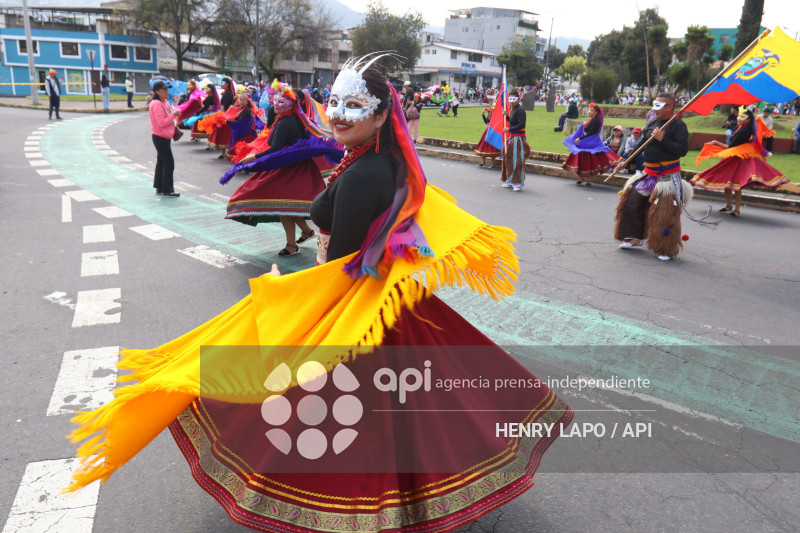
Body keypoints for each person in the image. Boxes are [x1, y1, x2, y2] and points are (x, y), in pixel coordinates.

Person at [67, 56, 573, 532]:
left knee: (326, 408)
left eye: (354, 105)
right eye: (334, 102)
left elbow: (340, 269)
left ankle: (349, 505)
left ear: (381, 116)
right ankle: (397, 499)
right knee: (402, 414)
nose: (337, 113)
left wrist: (288, 294)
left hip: (353, 315)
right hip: (381, 303)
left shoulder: (363, 174)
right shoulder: (379, 161)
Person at [224, 79, 332, 256]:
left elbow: (276, 148)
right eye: (275, 101)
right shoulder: (294, 119)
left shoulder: (285, 122)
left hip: (289, 169)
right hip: (295, 168)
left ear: (290, 105)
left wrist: (254, 157)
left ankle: (291, 245)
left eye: (281, 102)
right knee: (288, 205)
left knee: (283, 205)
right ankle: (306, 231)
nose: (276, 105)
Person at [613, 93, 692, 261]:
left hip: (667, 176)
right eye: (654, 105)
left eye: (659, 105)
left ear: (670, 107)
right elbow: (642, 145)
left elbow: (682, 150)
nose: (654, 109)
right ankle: (635, 237)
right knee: (632, 202)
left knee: (664, 212)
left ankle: (665, 248)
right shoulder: (652, 123)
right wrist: (626, 161)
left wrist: (663, 139)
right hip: (648, 173)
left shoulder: (679, 126)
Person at [691, 109, 788, 217]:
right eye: (739, 116)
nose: (739, 119)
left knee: (737, 185)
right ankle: (729, 206)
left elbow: (730, 147)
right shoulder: (742, 128)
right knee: (728, 183)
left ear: (748, 120)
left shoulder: (744, 131)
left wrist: (715, 142)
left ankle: (736, 210)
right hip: (733, 157)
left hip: (739, 160)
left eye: (742, 117)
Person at [562, 102, 621, 186]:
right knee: (580, 158)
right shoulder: (590, 120)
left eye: (591, 110)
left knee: (590, 160)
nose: (589, 112)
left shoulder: (596, 121)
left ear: (596, 112)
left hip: (592, 143)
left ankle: (588, 179)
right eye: (589, 110)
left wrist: (580, 138)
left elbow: (591, 132)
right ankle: (580, 178)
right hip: (585, 142)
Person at [148, 81, 181, 198]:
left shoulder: (165, 102)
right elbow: (161, 123)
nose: (167, 92)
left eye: (167, 89)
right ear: (157, 92)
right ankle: (167, 190)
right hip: (160, 136)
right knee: (169, 163)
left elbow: (169, 116)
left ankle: (159, 186)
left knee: (162, 162)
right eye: (164, 90)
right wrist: (173, 115)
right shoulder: (156, 104)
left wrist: (174, 113)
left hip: (164, 136)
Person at [501, 89, 530, 192]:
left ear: (518, 99)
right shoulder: (513, 110)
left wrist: (508, 129)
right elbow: (513, 122)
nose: (512, 101)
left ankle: (517, 182)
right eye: (510, 99)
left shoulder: (520, 110)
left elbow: (521, 124)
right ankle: (510, 179)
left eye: (514, 99)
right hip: (512, 138)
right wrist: (507, 117)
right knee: (508, 159)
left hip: (518, 139)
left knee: (517, 161)